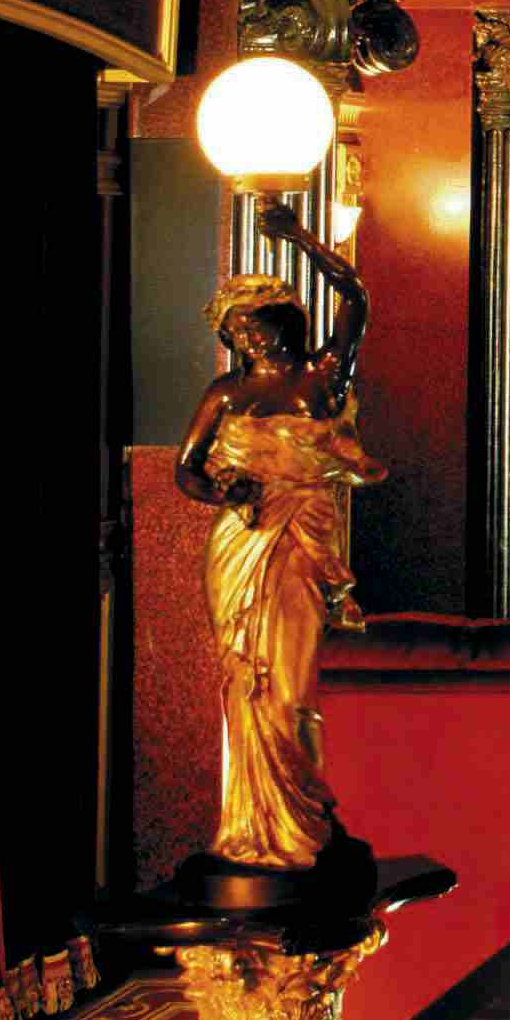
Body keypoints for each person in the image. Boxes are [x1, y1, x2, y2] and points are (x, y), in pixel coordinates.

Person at [171, 197, 386, 872]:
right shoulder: (225, 394)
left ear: (285, 317)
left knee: (290, 688)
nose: (250, 339)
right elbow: (186, 471)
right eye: (237, 331)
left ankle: (306, 819)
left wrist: (299, 237)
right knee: (245, 680)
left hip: (301, 536)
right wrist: (223, 492)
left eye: (257, 323)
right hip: (242, 542)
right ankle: (249, 829)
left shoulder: (322, 377)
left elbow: (355, 297)